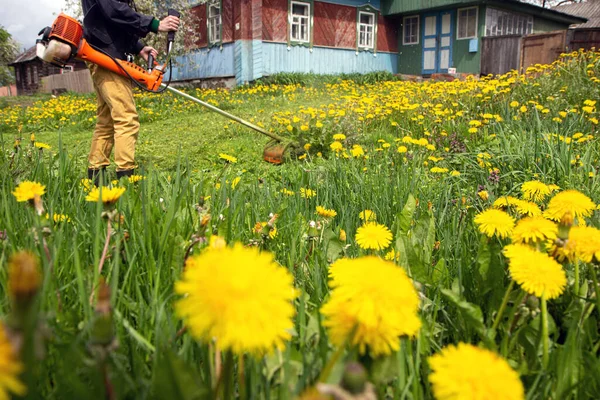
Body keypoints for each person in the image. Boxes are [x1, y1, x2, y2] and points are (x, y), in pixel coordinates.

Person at [81, 0, 179, 181]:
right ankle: (126, 178)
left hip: (103, 53)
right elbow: (113, 10)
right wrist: (155, 24)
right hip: (107, 57)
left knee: (107, 120)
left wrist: (139, 47)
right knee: (126, 117)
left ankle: (95, 178)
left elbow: (112, 22)